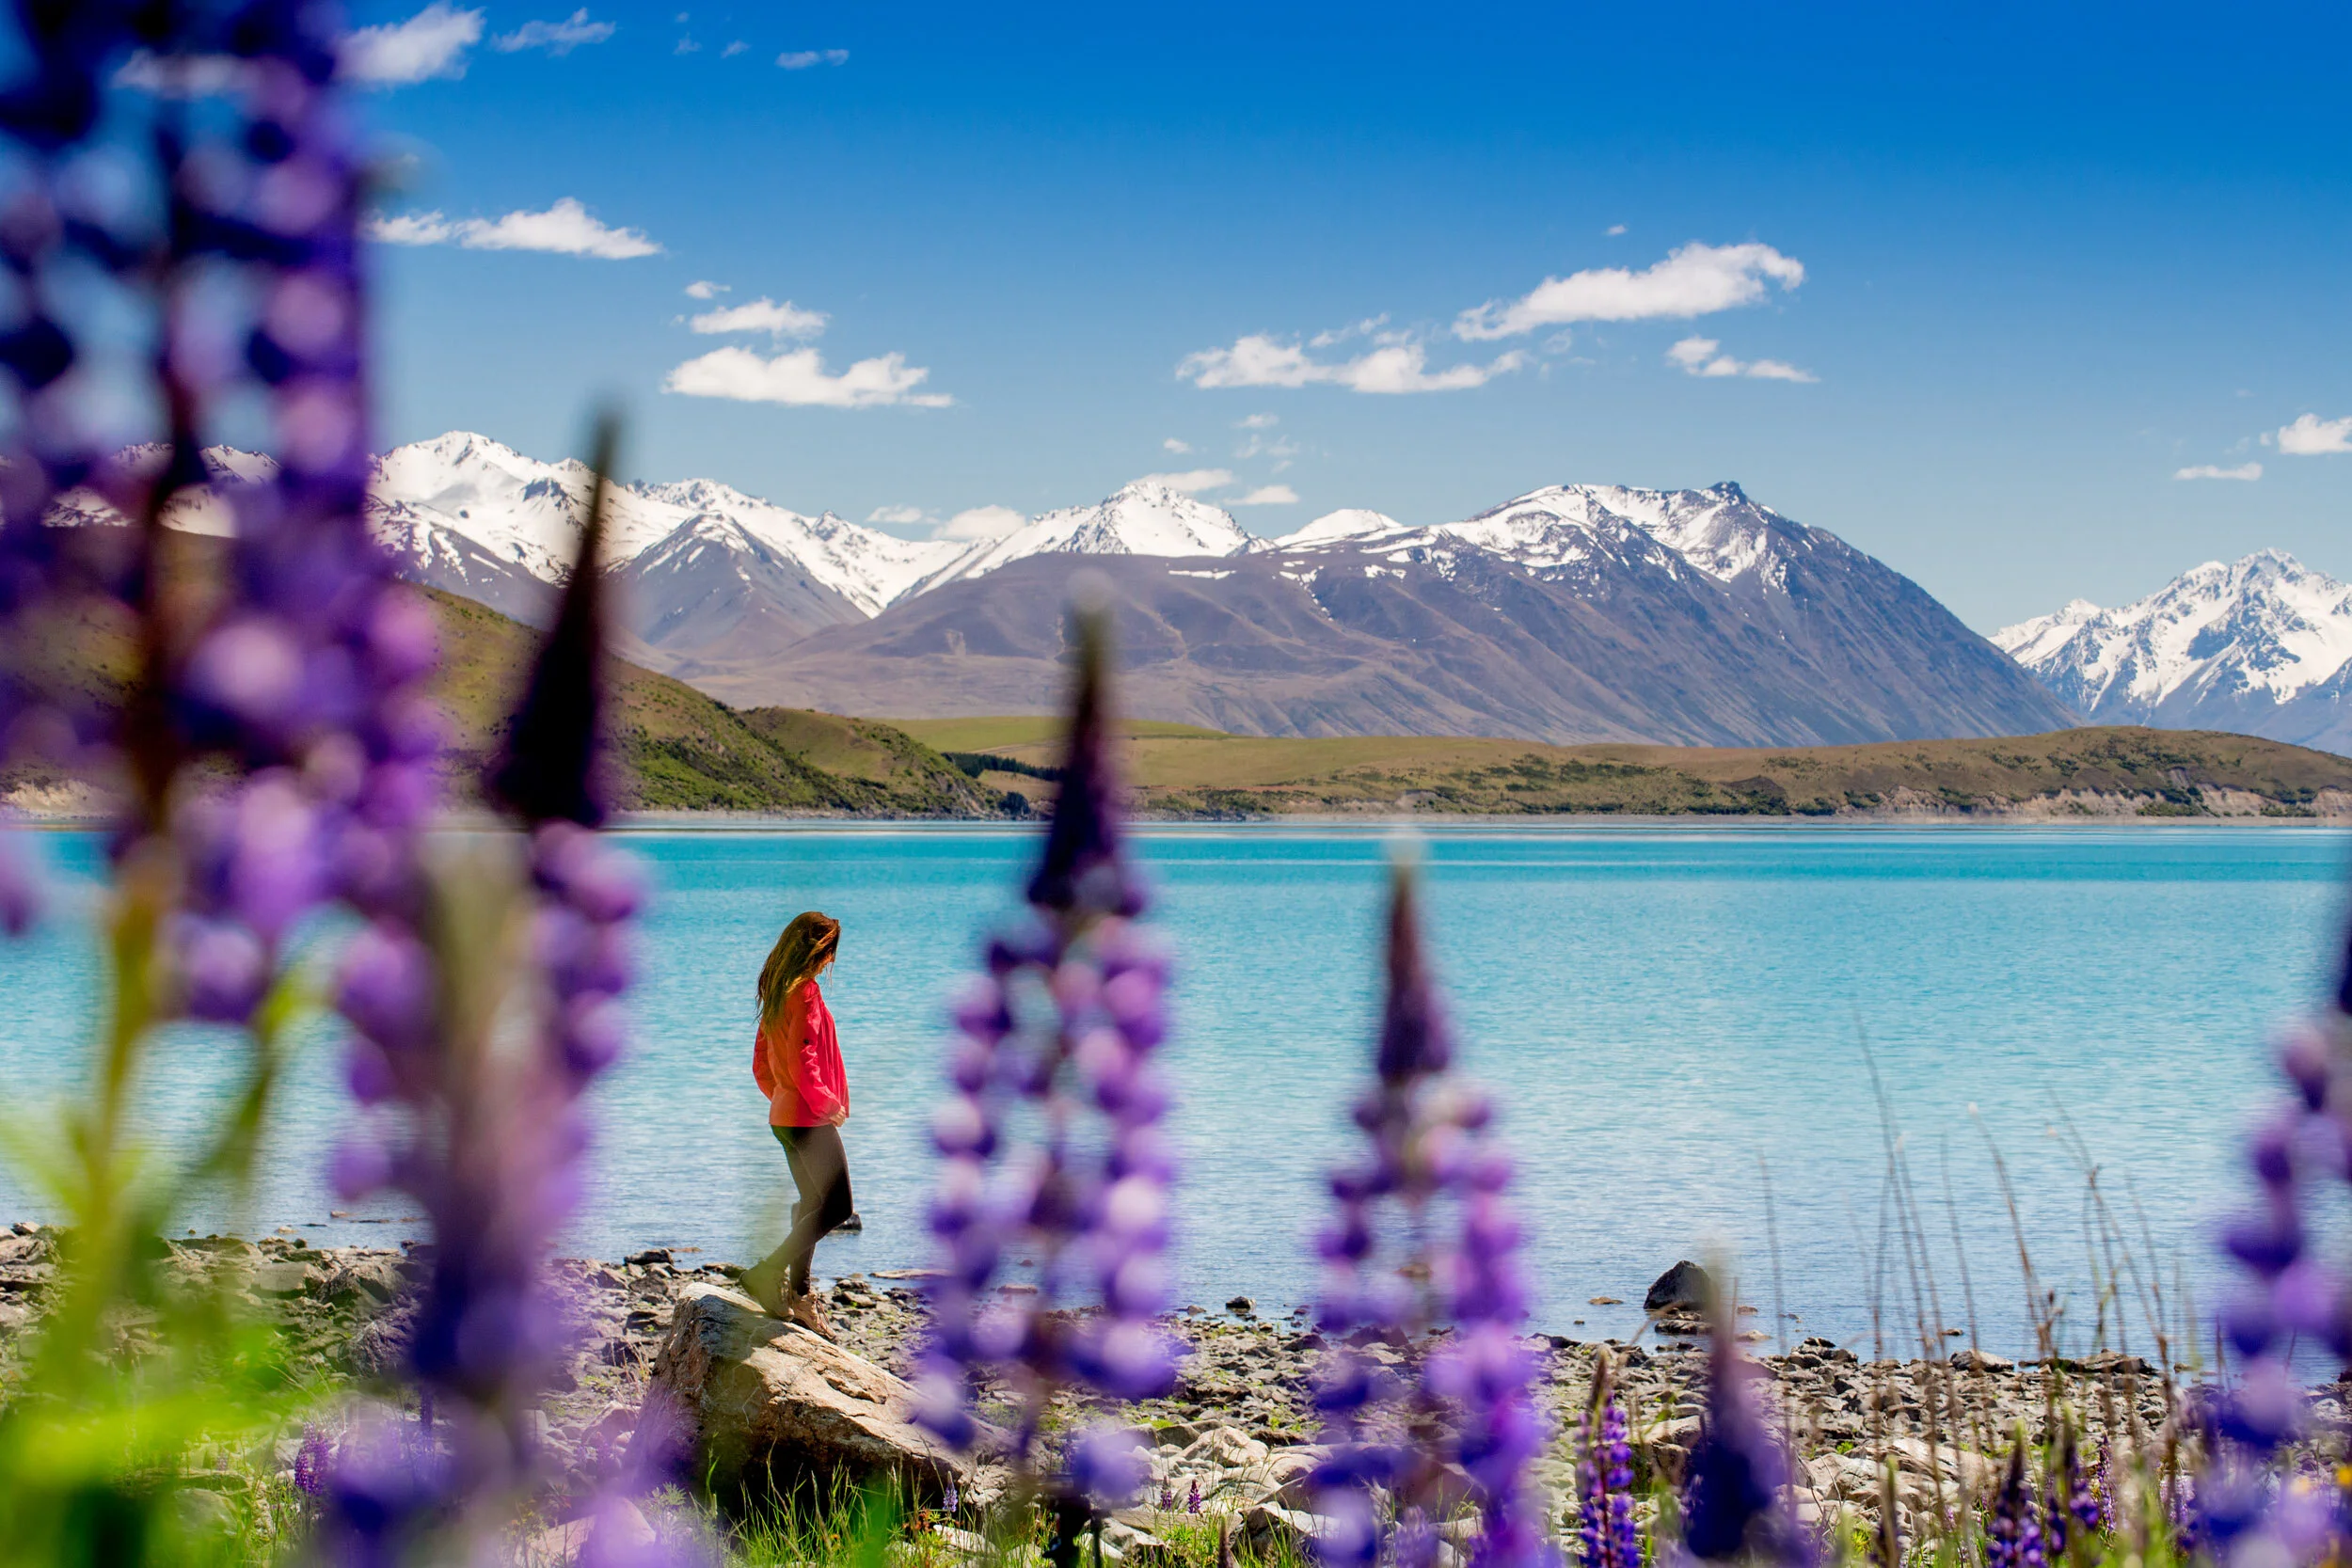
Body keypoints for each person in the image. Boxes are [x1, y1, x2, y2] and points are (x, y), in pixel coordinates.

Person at [739, 911, 853, 1338]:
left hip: (785, 1117)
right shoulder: (803, 992)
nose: (831, 962)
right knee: (837, 1206)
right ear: (819, 950)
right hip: (807, 1117)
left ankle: (799, 1296)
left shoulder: (776, 992)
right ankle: (767, 1273)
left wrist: (783, 1101)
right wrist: (823, 1105)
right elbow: (803, 1062)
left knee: (811, 1204)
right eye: (830, 953)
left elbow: (761, 1065)